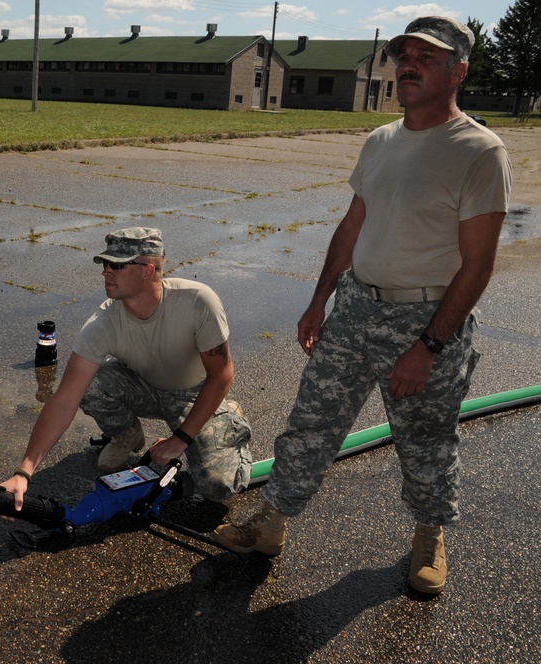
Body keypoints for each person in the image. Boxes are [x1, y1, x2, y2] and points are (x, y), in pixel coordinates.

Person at [209, 16, 512, 596]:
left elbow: (478, 265)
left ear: (460, 71)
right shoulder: (380, 140)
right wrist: (319, 298)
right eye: (405, 54)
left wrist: (428, 346)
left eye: (427, 56)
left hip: (423, 320)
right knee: (311, 421)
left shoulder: (479, 151)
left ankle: (429, 537)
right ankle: (271, 524)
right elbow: (352, 225)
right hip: (353, 308)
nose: (410, 64)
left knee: (426, 438)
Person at [0, 227, 253, 511]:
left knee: (217, 486)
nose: (105, 271)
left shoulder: (197, 301)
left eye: (116, 265)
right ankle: (126, 434)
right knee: (90, 383)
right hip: (143, 386)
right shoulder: (103, 323)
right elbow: (64, 400)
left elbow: (222, 375)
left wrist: (180, 439)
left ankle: (230, 422)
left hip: (194, 394)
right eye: (105, 263)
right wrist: (24, 473)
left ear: (147, 270)